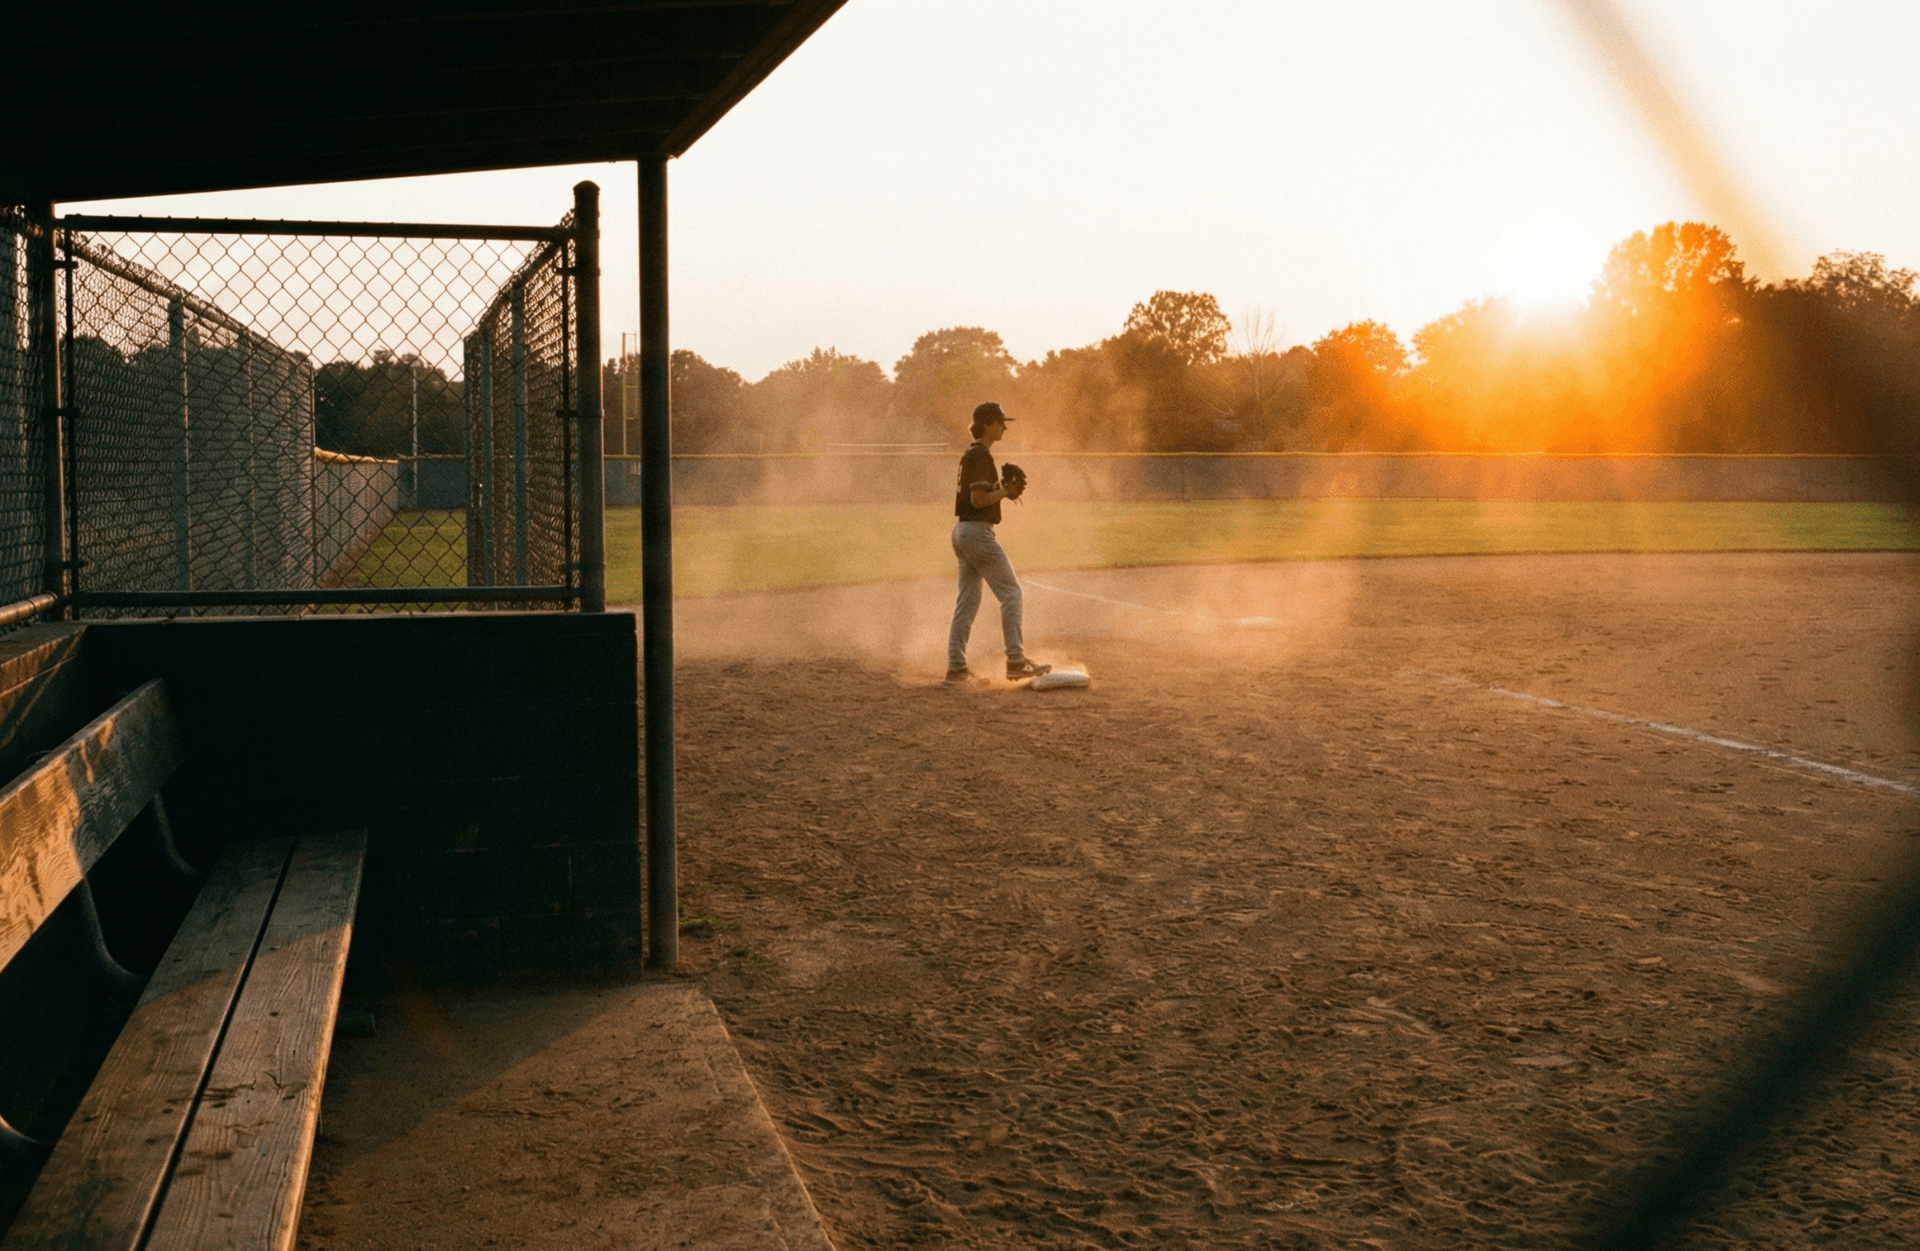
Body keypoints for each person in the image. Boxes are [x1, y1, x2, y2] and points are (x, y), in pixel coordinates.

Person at [948, 402, 1051, 683]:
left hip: (962, 532)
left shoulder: (972, 453)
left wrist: (999, 488)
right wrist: (1004, 490)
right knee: (1012, 594)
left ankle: (956, 668)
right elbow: (977, 500)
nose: (1005, 427)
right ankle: (1016, 661)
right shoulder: (981, 455)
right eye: (1000, 422)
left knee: (967, 602)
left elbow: (978, 496)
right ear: (987, 424)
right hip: (977, 534)